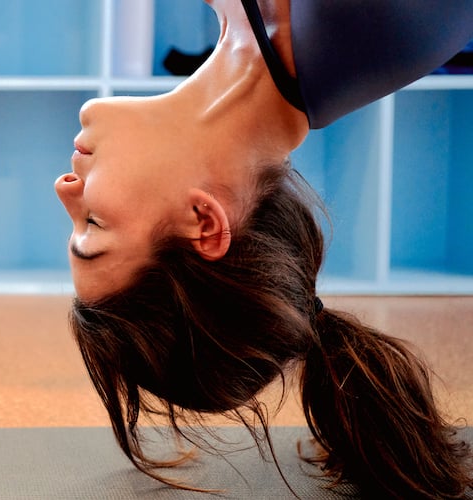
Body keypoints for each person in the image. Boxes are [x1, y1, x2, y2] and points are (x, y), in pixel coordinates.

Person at [54, 0, 473, 497]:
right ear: (203, 224)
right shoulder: (378, 21)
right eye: (94, 224)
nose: (64, 189)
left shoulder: (281, 38)